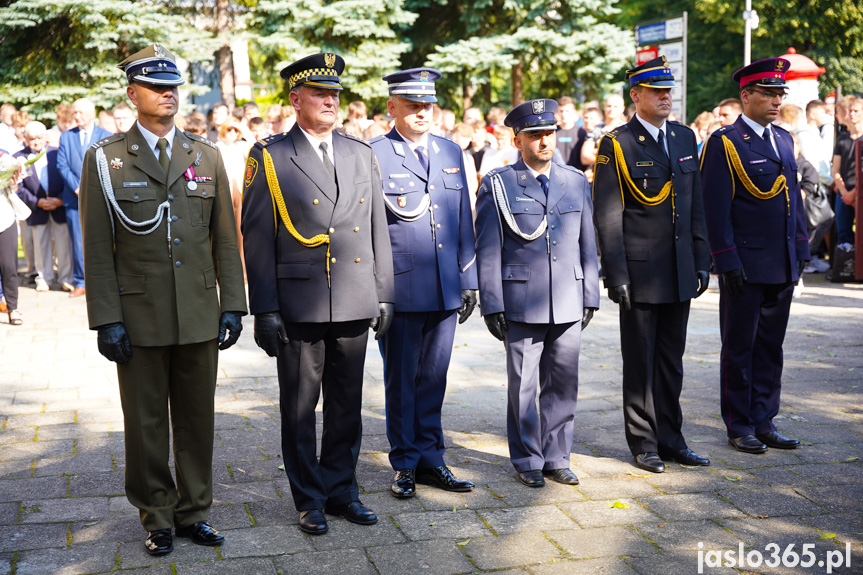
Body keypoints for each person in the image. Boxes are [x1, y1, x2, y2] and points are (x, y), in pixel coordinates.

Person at [79, 44, 247, 555]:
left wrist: (233, 304)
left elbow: (224, 237)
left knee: (198, 417)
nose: (168, 93)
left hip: (198, 311)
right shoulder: (105, 160)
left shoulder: (206, 154)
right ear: (133, 95)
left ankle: (195, 510)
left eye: (173, 85)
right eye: (156, 86)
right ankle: (157, 514)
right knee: (146, 421)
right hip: (140, 312)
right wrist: (106, 319)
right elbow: (97, 247)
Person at [241, 52, 395, 536]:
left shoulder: (359, 152)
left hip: (352, 295)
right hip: (300, 302)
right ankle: (308, 498)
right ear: (295, 98)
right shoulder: (269, 156)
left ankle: (342, 490)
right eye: (319, 93)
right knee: (301, 407)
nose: (331, 101)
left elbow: (377, 229)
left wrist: (383, 292)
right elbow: (257, 237)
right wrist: (263, 308)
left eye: (336, 94)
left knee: (348, 404)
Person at [592, 57, 711, 473]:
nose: (665, 96)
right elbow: (608, 215)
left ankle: (672, 439)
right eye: (656, 90)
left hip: (679, 267)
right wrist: (616, 273)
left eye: (668, 90)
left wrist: (701, 258)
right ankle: (644, 442)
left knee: (671, 360)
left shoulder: (683, 137)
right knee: (640, 360)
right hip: (640, 271)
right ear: (635, 95)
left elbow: (694, 205)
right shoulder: (617, 143)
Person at [475, 99, 600, 487]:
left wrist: (591, 294)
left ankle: (557, 456)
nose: (545, 141)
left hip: (568, 296)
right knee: (524, 385)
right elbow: (488, 247)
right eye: (535, 135)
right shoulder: (499, 184)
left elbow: (587, 242)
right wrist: (491, 302)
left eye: (549, 133)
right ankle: (528, 459)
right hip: (521, 300)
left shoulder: (575, 181)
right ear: (517, 140)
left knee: (564, 382)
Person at [369, 68, 478, 499]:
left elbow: (462, 217)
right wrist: (378, 291)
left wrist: (468, 277)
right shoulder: (375, 153)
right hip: (401, 287)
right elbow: (371, 227)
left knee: (434, 377)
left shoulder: (450, 151)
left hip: (445, 286)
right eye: (412, 105)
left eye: (427, 105)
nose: (421, 113)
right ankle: (405, 462)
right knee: (402, 379)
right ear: (392, 107)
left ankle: (433, 459)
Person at [700, 57, 809, 454]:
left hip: (780, 261)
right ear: (746, 96)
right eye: (768, 93)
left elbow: (791, 200)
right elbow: (715, 208)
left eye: (780, 93)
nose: (777, 100)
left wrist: (800, 250)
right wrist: (725, 260)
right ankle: (739, 423)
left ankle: (765, 419)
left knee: (770, 347)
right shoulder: (724, 142)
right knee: (740, 347)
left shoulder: (782, 139)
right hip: (744, 264)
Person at [57, 98, 111, 298]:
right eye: (74, 112)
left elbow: (108, 166)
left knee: (102, 239)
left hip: (99, 198)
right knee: (78, 242)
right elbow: (62, 165)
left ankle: (101, 280)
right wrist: (77, 187)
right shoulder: (66, 137)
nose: (76, 116)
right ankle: (81, 281)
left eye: (80, 112)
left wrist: (91, 188)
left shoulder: (106, 135)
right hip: (74, 198)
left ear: (91, 113)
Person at [14, 121, 72, 293]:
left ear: (46, 137)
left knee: (63, 246)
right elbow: (19, 188)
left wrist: (60, 199)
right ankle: (43, 278)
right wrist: (36, 202)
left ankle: (66, 278)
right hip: (37, 208)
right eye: (32, 139)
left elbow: (66, 179)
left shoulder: (57, 153)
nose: (36, 142)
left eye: (39, 138)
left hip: (58, 207)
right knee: (40, 245)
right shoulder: (19, 157)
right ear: (25, 138)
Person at [831, 96, 860, 248]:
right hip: (843, 194)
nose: (852, 114)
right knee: (843, 234)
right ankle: (844, 269)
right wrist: (844, 192)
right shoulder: (842, 140)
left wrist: (854, 193)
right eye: (851, 111)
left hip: (859, 192)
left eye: (856, 111)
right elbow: (835, 169)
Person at [556, 96, 587, 168]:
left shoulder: (581, 132)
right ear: (557, 112)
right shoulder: (552, 132)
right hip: (557, 174)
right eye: (561, 111)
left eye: (567, 111)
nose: (563, 114)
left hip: (577, 174)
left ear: (573, 112)